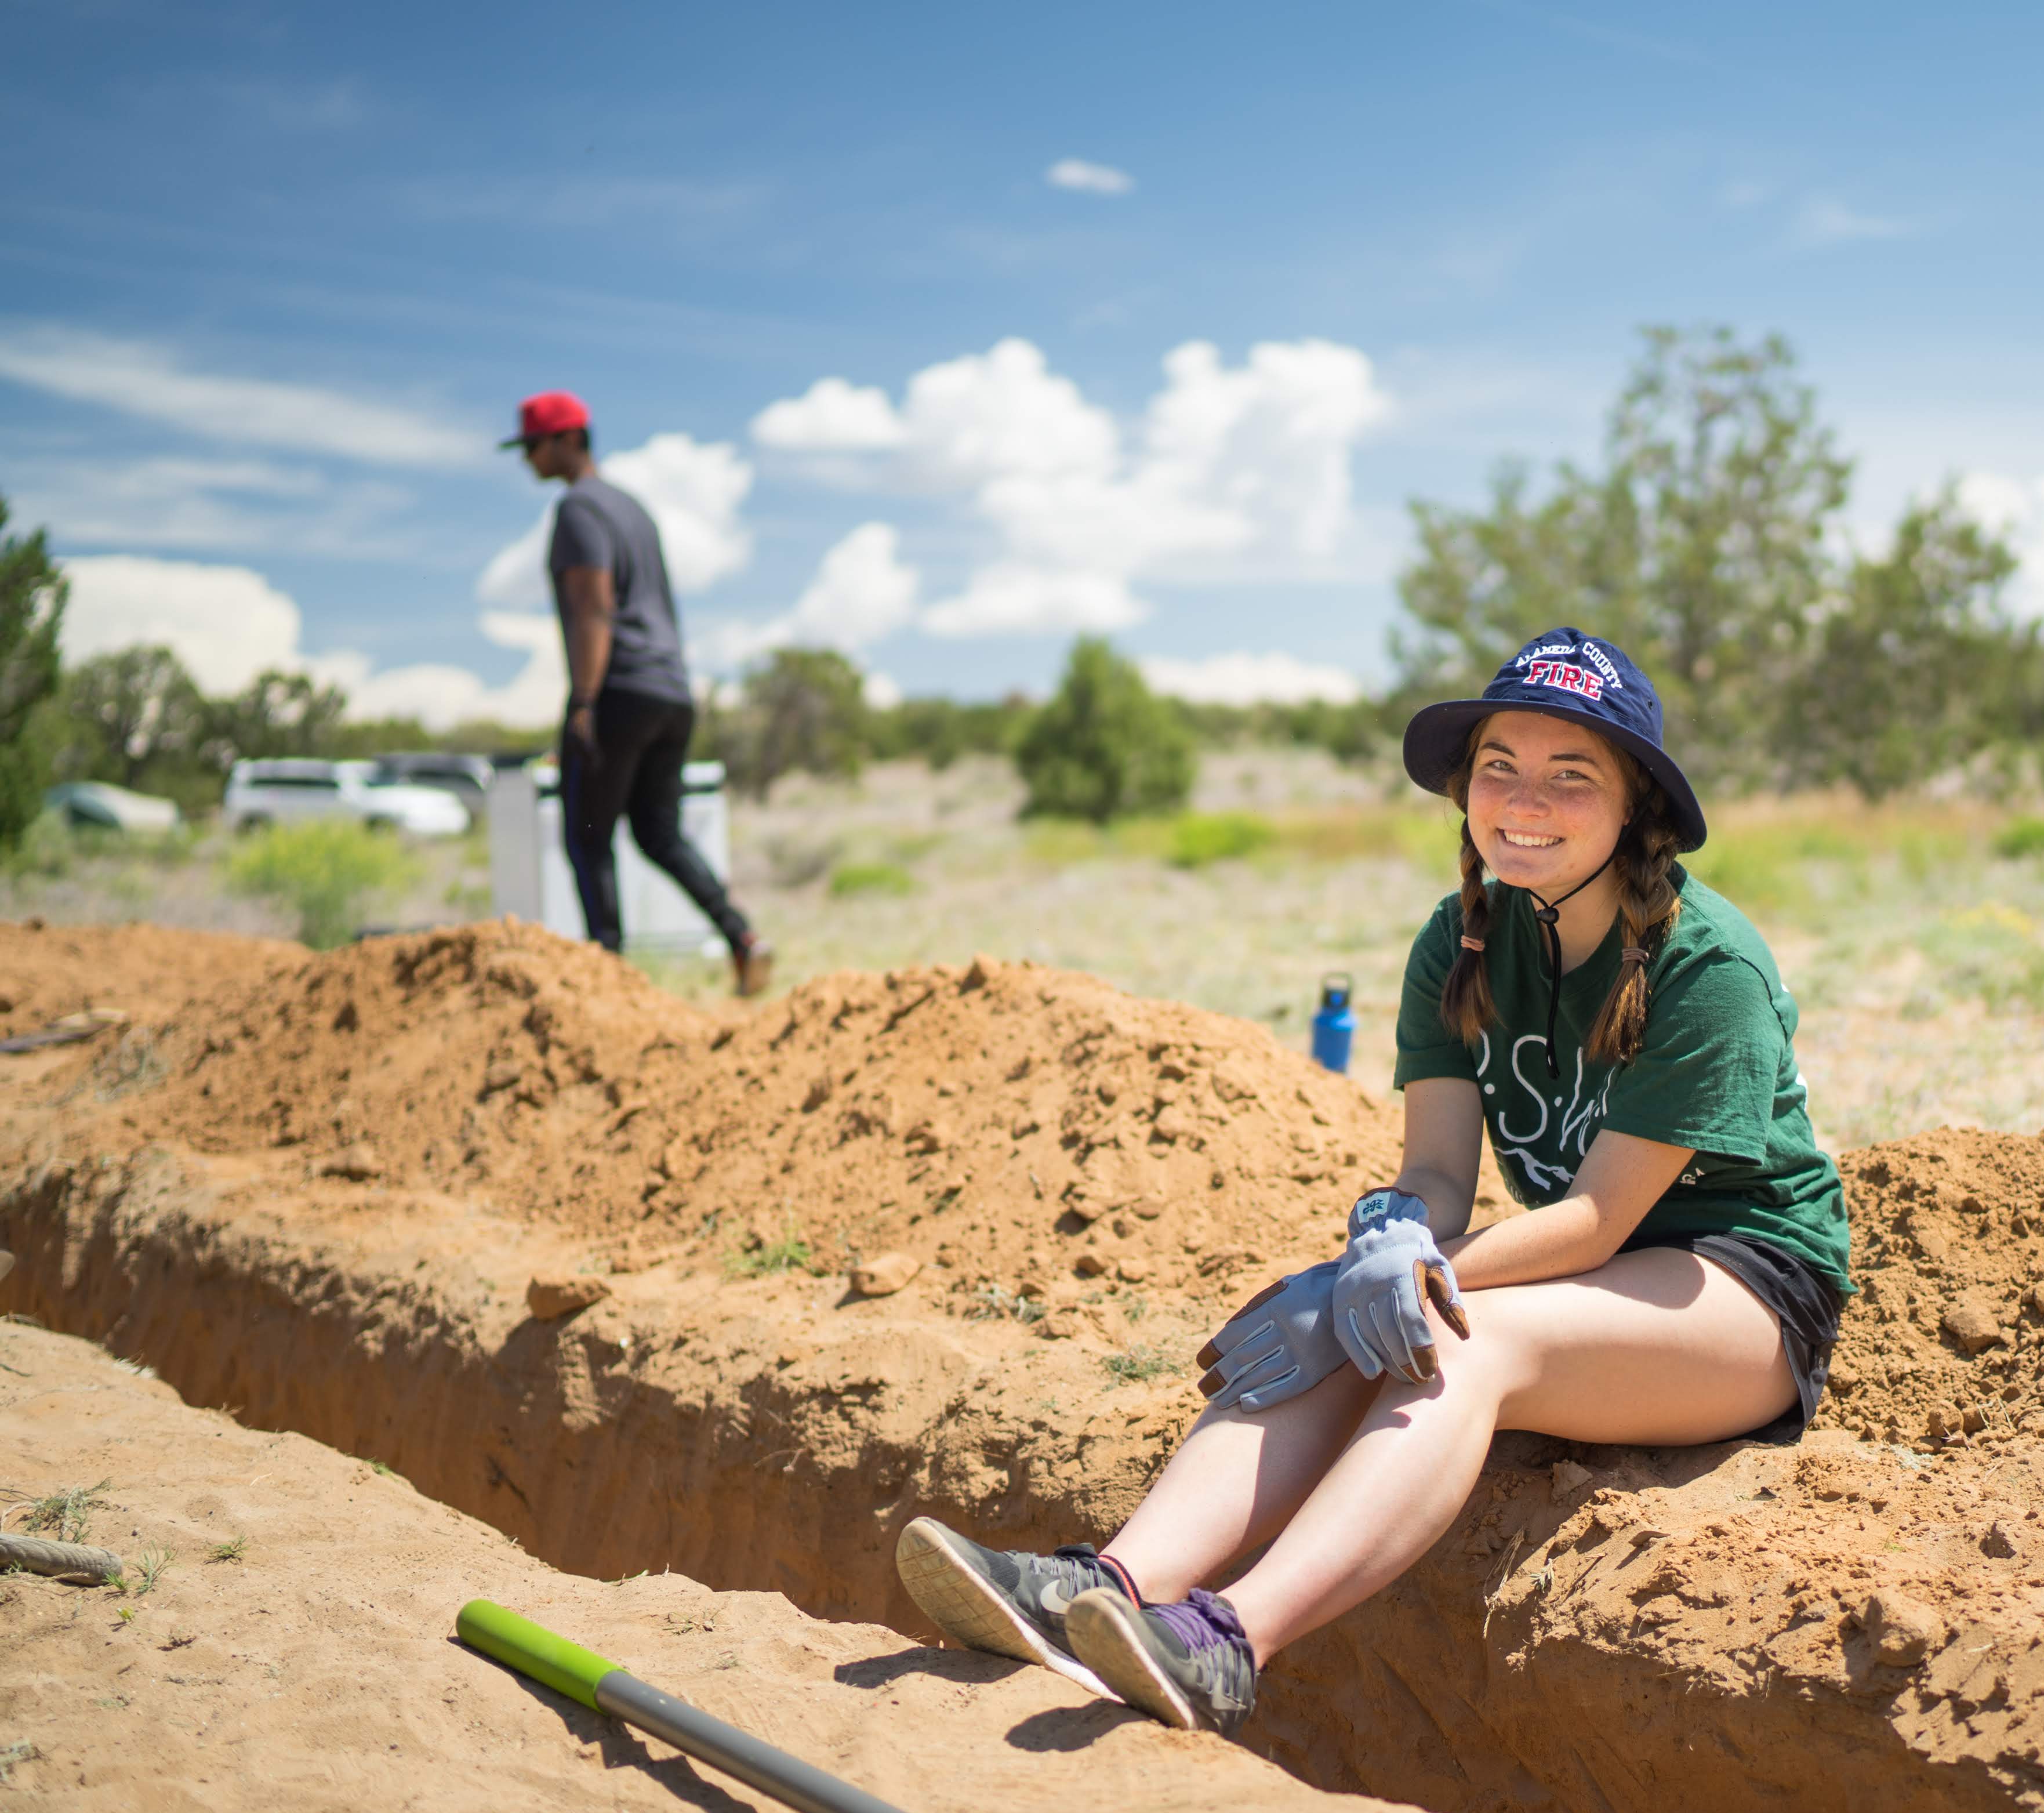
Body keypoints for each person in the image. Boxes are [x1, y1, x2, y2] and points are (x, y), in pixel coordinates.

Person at [894, 630, 1851, 1735]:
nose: (1523, 797)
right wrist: (1380, 1250)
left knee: (1447, 1331)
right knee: (1377, 1306)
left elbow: (1592, 1223)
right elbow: (1438, 1175)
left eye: (1570, 774)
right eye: (1500, 764)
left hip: (1741, 1292)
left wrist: (1388, 1278)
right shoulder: (1461, 941)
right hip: (1609, 1276)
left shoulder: (1704, 964)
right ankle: (1103, 1585)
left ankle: (1226, 1645)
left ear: (1636, 807)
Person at [504, 390, 771, 998]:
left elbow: (593, 607)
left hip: (619, 687)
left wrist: (583, 703)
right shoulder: (634, 509)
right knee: (658, 833)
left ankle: (610, 980)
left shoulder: (578, 510)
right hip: (671, 689)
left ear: (570, 440)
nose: (527, 460)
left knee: (587, 833)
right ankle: (743, 938)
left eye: (533, 446)